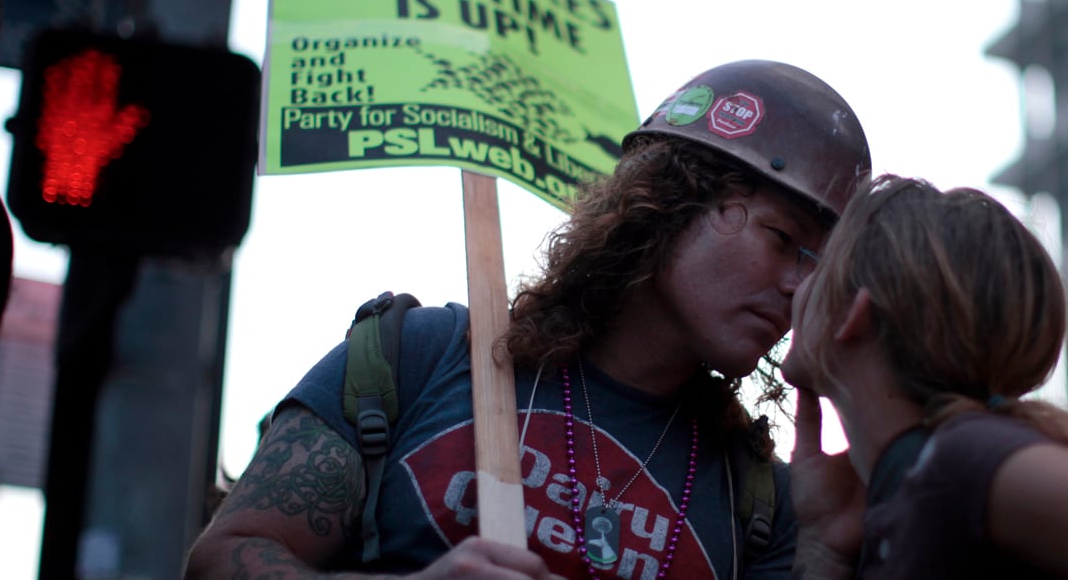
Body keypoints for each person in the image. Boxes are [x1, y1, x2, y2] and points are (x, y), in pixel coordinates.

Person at [183, 59, 873, 578]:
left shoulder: (761, 496)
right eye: (783, 240)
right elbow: (222, 558)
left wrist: (824, 550)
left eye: (821, 267)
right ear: (670, 202)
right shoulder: (416, 357)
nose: (798, 288)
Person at [781, 174, 1068, 579]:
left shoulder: (963, 462)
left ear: (855, 312)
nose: (795, 285)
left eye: (819, 264)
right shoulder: (912, 494)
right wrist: (823, 547)